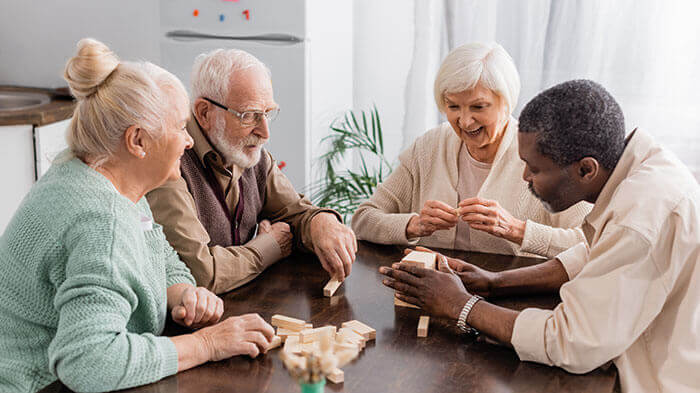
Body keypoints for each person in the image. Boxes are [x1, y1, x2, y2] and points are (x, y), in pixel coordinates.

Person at [380, 79, 700, 393]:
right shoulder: (640, 164)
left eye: (534, 169)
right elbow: (597, 253)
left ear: (586, 170)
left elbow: (571, 342)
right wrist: (495, 282)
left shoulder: (639, 219)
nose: (525, 177)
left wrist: (461, 305)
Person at [0, 39, 276, 393]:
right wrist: (208, 344)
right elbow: (89, 362)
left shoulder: (101, 173)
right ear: (138, 142)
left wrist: (182, 293)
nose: (189, 141)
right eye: (179, 127)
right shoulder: (101, 218)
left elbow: (156, 250)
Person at [147, 49, 356, 294]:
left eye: (267, 113)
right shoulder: (171, 162)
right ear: (204, 113)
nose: (265, 132)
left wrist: (321, 222)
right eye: (249, 116)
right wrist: (268, 247)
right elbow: (201, 273)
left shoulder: (248, 153)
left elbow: (294, 214)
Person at [352, 42, 590, 258]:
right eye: (453, 106)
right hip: (430, 290)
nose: (465, 121)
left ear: (507, 104)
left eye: (478, 106)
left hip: (511, 298)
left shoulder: (546, 155)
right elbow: (363, 219)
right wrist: (414, 224)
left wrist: (516, 230)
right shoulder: (429, 146)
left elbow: (589, 242)